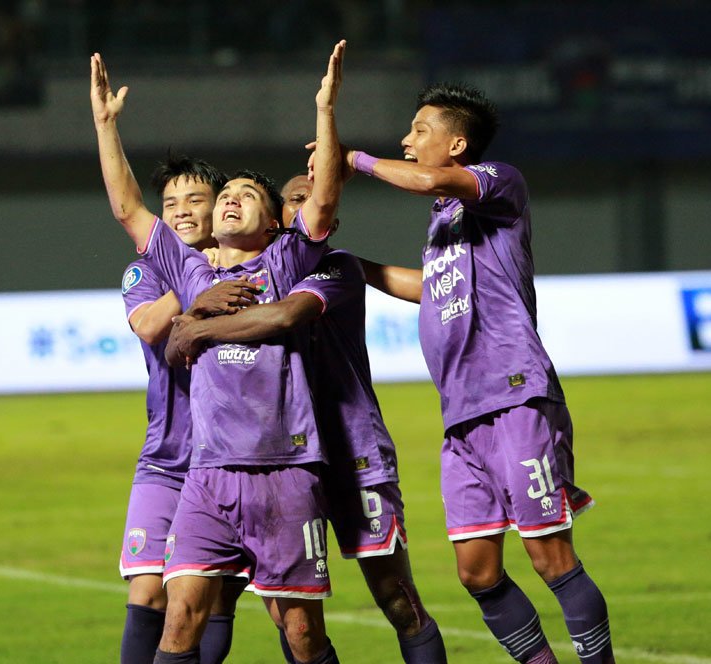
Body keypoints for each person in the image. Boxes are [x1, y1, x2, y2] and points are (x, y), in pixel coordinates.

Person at [92, 40, 346, 664]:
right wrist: (104, 126)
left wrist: (326, 110)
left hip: (283, 468)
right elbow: (128, 210)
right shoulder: (185, 272)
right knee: (176, 611)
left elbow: (322, 205)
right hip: (197, 467)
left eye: (240, 194)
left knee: (297, 628)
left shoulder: (286, 261)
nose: (225, 199)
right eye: (223, 191)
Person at [340, 83, 613, 663]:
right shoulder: (445, 219)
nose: (406, 141)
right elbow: (432, 289)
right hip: (461, 415)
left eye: (419, 130)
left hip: (515, 395)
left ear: (457, 143)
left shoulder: (499, 182)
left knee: (549, 557)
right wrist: (353, 267)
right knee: (477, 572)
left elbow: (430, 178)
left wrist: (353, 160)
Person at [166, 175, 447, 663]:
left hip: (352, 454)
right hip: (283, 460)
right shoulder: (242, 275)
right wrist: (190, 320)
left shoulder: (334, 267)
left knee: (396, 597)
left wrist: (196, 327)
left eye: (306, 202)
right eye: (291, 201)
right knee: (284, 609)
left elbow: (284, 317)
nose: (300, 211)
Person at [117, 152, 256, 664]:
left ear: (219, 206)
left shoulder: (252, 267)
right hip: (167, 458)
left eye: (194, 200)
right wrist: (196, 277)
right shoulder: (146, 270)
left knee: (211, 600)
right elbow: (151, 326)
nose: (179, 211)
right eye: (170, 202)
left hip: (229, 458)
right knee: (149, 591)